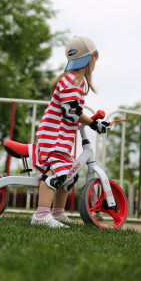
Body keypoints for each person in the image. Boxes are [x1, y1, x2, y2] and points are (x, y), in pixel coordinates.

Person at [29, 36, 111, 228]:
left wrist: (92, 122)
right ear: (89, 60)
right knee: (59, 171)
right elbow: (71, 112)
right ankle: (41, 215)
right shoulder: (70, 83)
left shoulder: (73, 82)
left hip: (61, 135)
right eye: (94, 60)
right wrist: (93, 124)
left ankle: (57, 213)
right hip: (54, 135)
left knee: (70, 174)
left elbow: (72, 112)